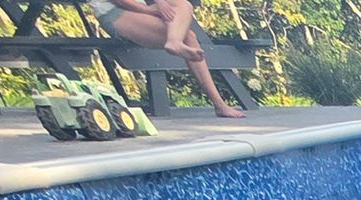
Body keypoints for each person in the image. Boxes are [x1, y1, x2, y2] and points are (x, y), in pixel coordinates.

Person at [90, 0, 247, 117]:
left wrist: (160, 3)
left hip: (138, 9)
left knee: (184, 5)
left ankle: (174, 41)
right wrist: (148, 10)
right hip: (115, 13)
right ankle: (220, 105)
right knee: (189, 38)